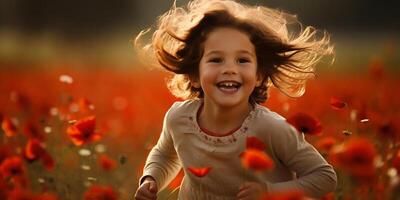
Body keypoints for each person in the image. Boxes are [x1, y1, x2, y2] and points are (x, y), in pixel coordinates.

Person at [134, 0, 336, 199]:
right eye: (216, 60)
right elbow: (165, 155)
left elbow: (324, 177)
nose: (230, 69)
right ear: (195, 75)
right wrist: (151, 179)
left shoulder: (272, 128)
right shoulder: (178, 118)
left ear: (258, 75)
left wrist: (268, 192)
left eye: (242, 60)